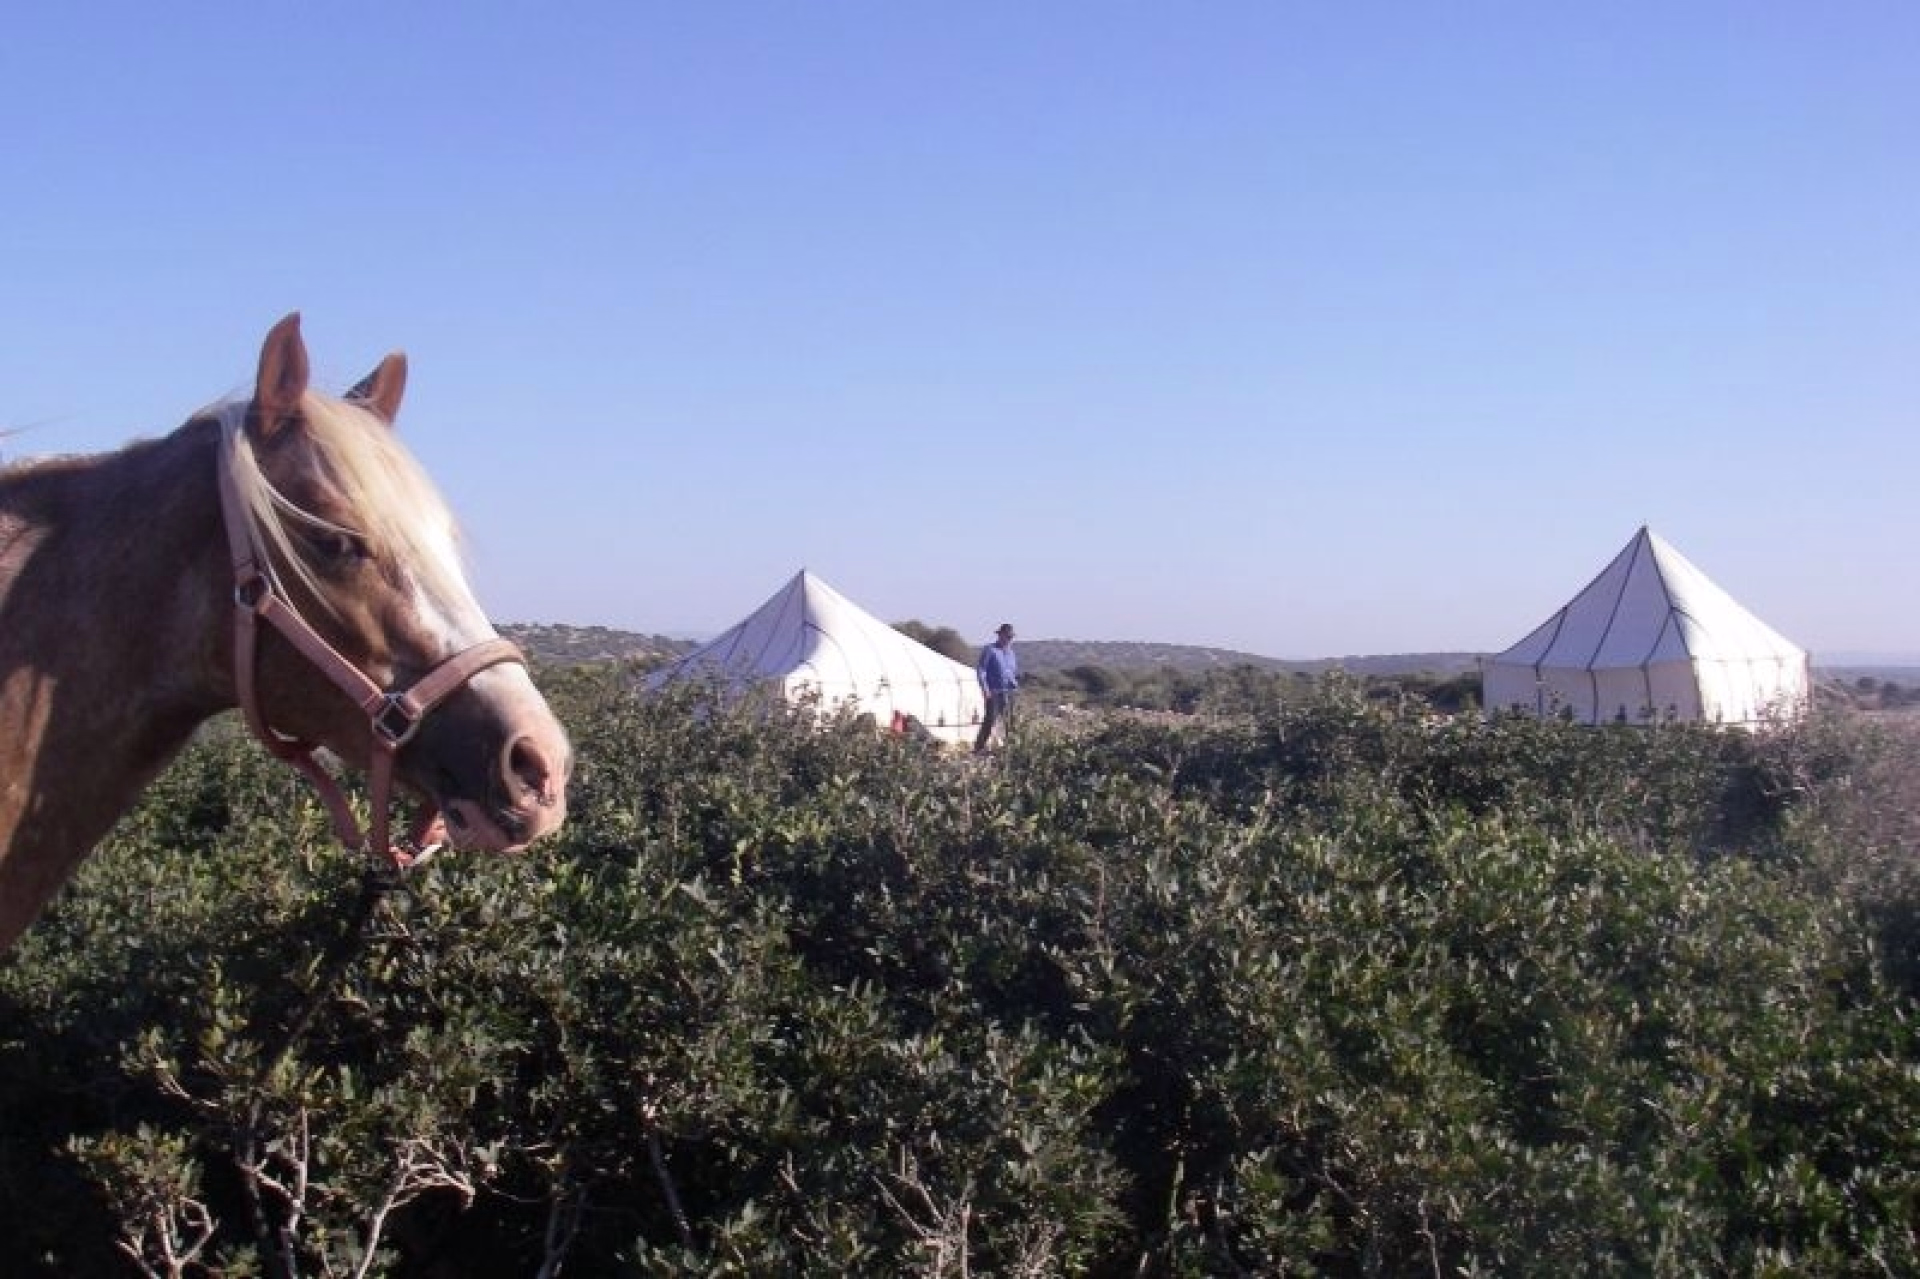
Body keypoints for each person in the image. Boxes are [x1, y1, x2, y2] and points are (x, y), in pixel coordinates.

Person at [974, 623, 1018, 754]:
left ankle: (1012, 748)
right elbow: (981, 670)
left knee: (1011, 722)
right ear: (1000, 635)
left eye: (1010, 637)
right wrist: (985, 688)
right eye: (1006, 636)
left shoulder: (1011, 653)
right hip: (994, 691)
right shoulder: (990, 650)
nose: (1008, 639)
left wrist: (1015, 685)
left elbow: (1012, 672)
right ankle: (978, 748)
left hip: (1009, 692)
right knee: (990, 720)